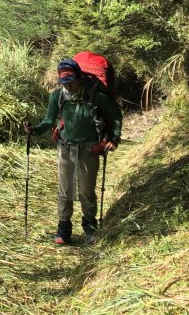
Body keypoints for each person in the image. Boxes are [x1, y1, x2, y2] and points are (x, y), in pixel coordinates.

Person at [25, 58, 122, 245]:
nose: (68, 86)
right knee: (65, 190)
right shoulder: (57, 96)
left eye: (71, 81)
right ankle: (63, 228)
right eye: (64, 82)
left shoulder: (95, 96)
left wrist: (114, 138)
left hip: (89, 148)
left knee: (86, 191)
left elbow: (116, 115)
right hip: (65, 147)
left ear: (79, 78)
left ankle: (90, 227)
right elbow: (49, 120)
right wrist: (35, 130)